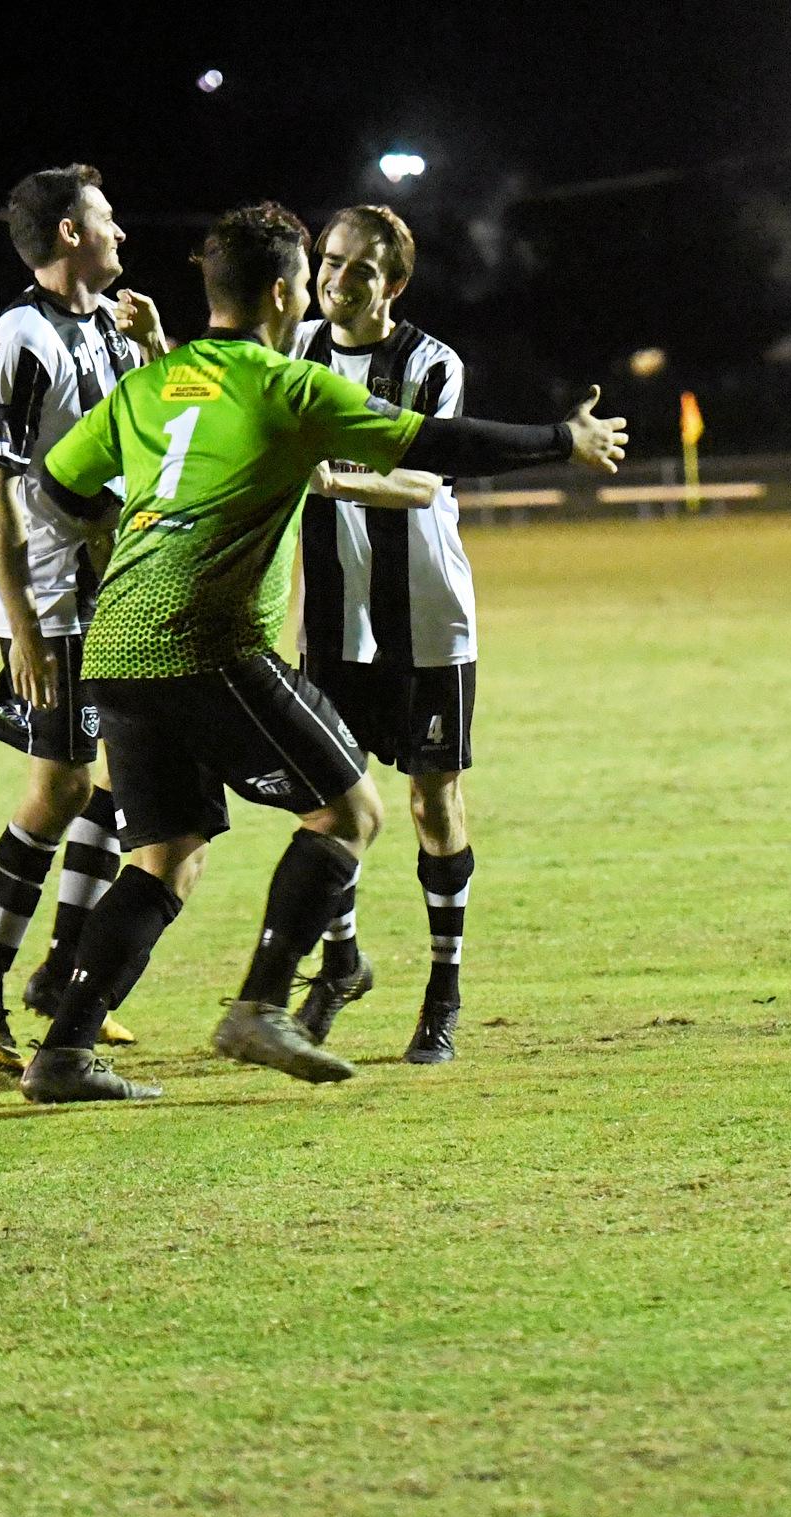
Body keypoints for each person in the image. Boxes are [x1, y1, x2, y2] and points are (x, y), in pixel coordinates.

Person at [13, 202, 627, 1104]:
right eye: (309, 277)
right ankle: (262, 1003)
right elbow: (433, 442)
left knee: (166, 855)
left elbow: (56, 487)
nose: (318, 292)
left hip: (119, 645)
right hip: (207, 638)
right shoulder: (284, 385)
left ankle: (62, 1051)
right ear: (279, 291)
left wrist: (136, 534)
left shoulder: (152, 385)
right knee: (349, 812)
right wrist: (559, 441)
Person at [0, 166, 169, 1073]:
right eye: (107, 219)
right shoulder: (18, 340)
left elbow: (144, 436)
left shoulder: (110, 325)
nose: (121, 234)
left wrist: (153, 345)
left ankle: (67, 971)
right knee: (61, 790)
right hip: (61, 598)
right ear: (70, 234)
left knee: (119, 780)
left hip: (121, 588)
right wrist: (19, 621)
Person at [284, 205, 485, 1064]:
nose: (337, 279)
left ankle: (443, 989)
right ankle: (341, 961)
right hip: (332, 621)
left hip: (428, 619)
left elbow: (424, 483)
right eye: (329, 262)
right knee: (330, 801)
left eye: (360, 269)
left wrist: (328, 477)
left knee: (429, 801)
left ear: (393, 284)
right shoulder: (296, 352)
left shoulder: (432, 364)